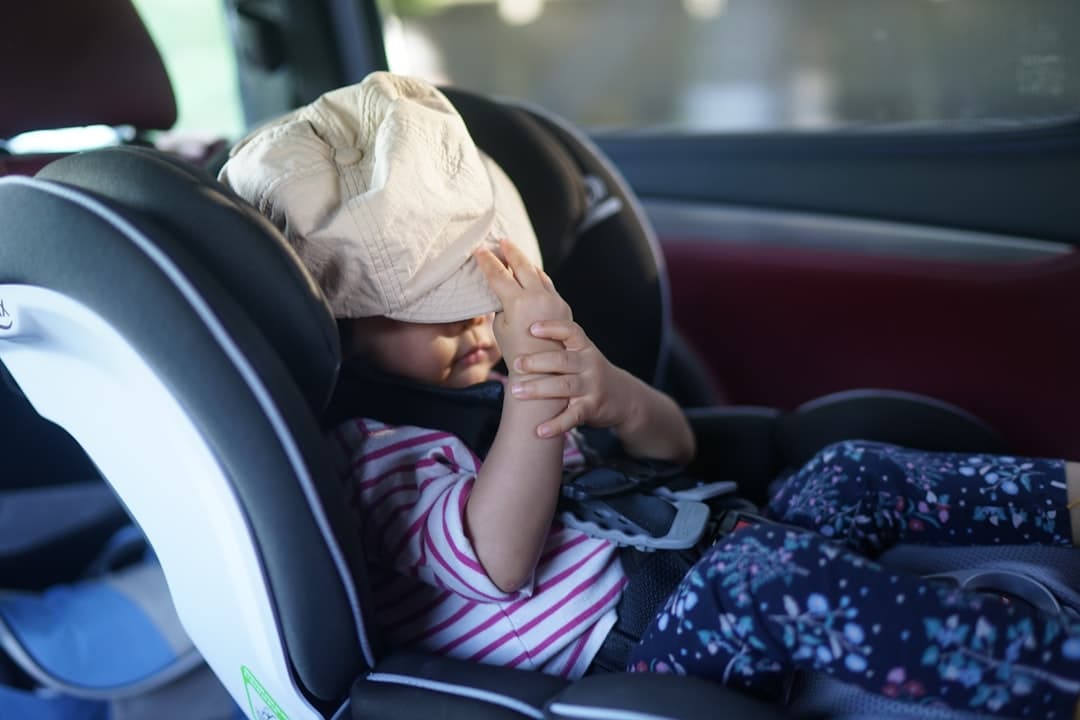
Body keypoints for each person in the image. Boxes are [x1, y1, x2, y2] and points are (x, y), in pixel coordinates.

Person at [220, 72, 1080, 718]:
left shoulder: (497, 384)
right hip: (635, 663)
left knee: (846, 471)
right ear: (339, 331)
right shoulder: (371, 456)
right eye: (440, 317)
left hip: (709, 553)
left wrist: (617, 399)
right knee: (762, 582)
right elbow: (495, 560)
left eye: (485, 300)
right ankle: (1051, 675)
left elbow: (672, 455)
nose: (482, 327)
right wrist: (538, 405)